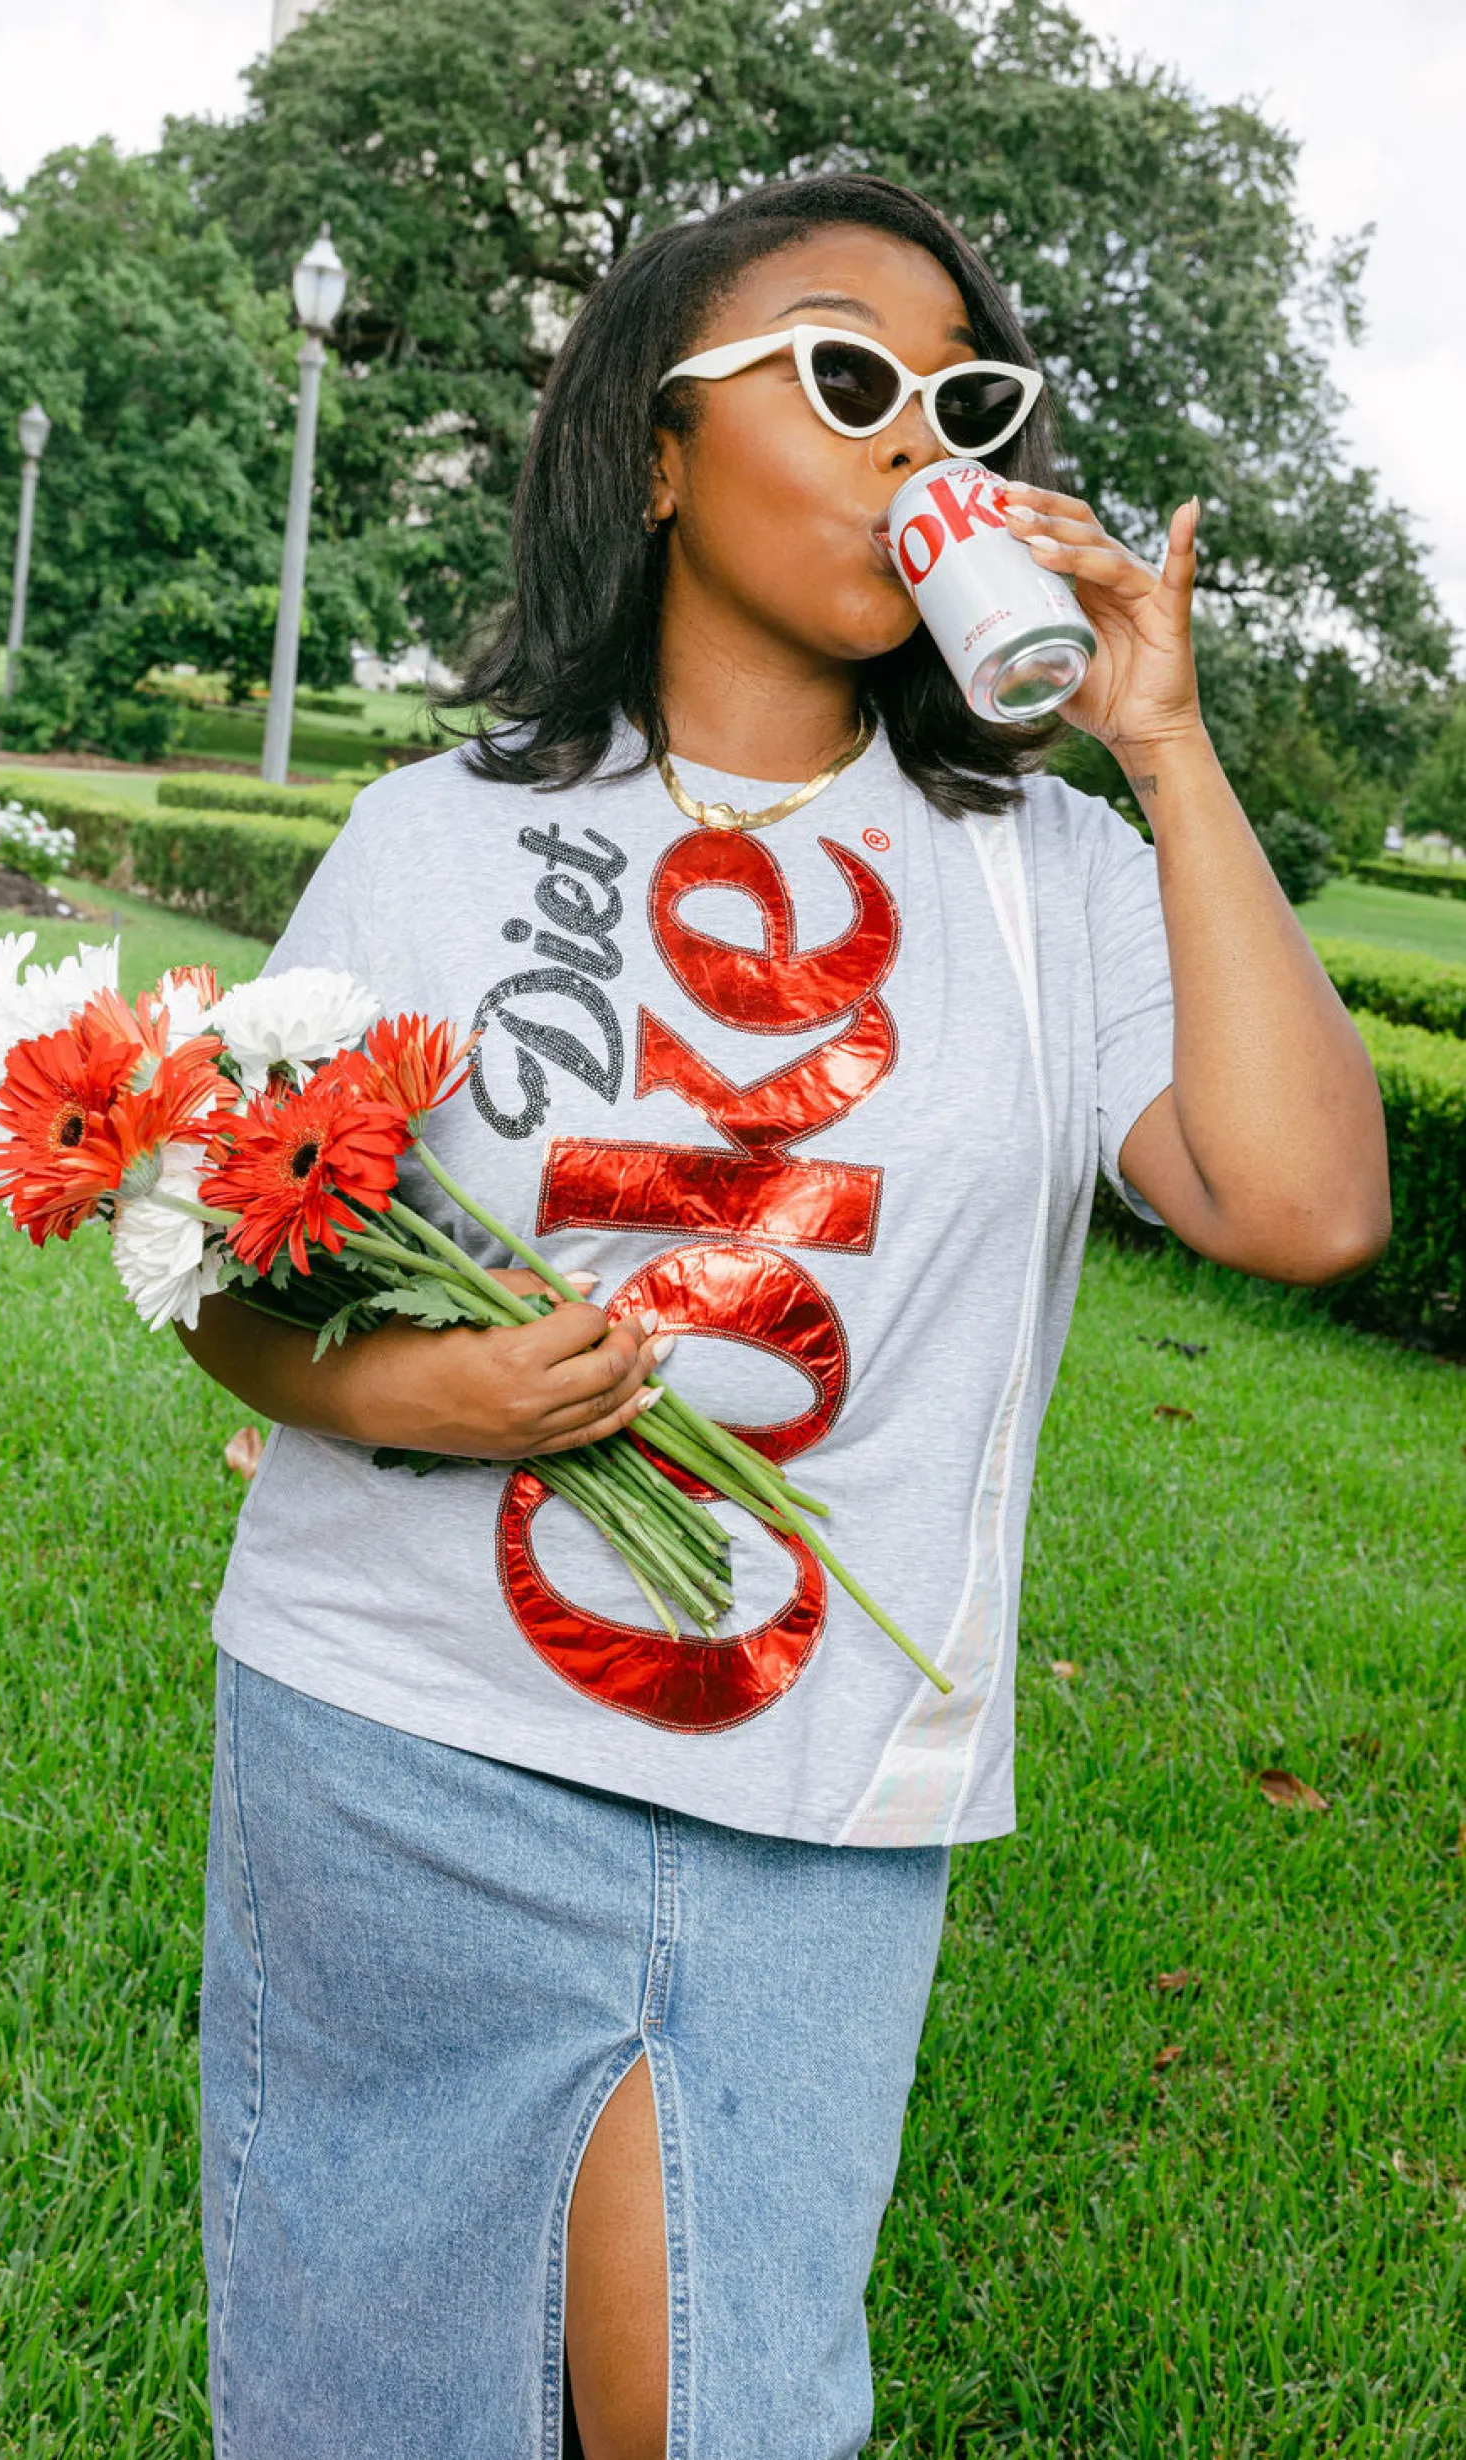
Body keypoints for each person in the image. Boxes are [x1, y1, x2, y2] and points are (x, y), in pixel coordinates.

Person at [177, 173, 1389, 2460]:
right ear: (652, 443)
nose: (911, 441)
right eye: (845, 379)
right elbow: (230, 1281)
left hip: (813, 1790)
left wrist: (1162, 744)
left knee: (719, 2406)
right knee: (378, 2401)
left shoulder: (1048, 880)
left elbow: (1307, 1204)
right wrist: (425, 1388)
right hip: (395, 1739)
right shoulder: (436, 839)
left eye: (963, 402)